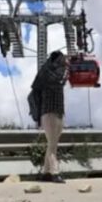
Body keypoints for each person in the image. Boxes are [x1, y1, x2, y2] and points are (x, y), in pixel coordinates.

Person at [29, 51, 68, 183]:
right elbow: (56, 80)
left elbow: (63, 79)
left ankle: (45, 173)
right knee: (52, 144)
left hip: (58, 111)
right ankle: (55, 173)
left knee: (53, 144)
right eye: (61, 60)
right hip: (49, 112)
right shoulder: (47, 74)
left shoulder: (60, 73)